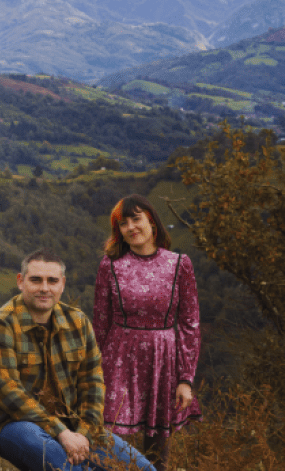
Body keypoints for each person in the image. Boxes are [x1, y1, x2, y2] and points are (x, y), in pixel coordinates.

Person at [0, 249, 155, 471]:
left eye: (52, 281)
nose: (44, 288)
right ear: (20, 282)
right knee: (67, 468)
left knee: (144, 469)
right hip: (12, 426)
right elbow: (9, 393)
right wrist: (61, 432)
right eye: (36, 280)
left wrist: (84, 433)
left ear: (62, 284)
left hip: (73, 425)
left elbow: (93, 384)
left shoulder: (77, 322)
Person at [93, 194, 201, 471]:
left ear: (152, 221)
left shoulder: (179, 264)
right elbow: (101, 322)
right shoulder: (110, 265)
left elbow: (190, 324)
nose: (131, 227)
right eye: (123, 223)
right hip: (118, 360)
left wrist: (185, 378)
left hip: (163, 360)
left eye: (136, 219)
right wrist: (92, 373)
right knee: (111, 442)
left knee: (158, 452)